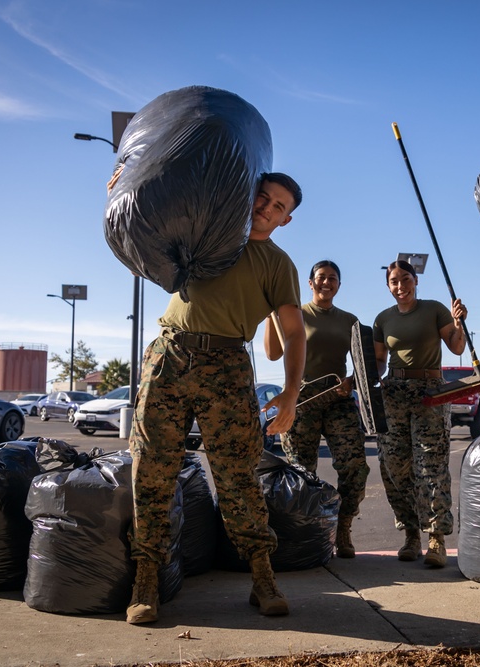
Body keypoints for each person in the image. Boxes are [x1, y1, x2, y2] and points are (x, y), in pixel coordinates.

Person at [125, 172, 306, 624]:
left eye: (278, 206)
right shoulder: (208, 231)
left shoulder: (277, 263)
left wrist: (290, 392)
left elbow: (294, 331)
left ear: (286, 219)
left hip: (227, 366)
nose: (266, 207)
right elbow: (147, 226)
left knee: (238, 475)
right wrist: (123, 187)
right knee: (151, 467)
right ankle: (146, 578)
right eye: (263, 197)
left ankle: (262, 577)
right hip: (170, 355)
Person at [263, 260, 370, 559]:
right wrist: (272, 315)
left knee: (354, 467)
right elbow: (272, 354)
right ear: (310, 283)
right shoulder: (294, 313)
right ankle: (306, 533)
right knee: (300, 471)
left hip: (337, 399)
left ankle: (343, 527)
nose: (327, 283)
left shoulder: (350, 320)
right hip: (302, 398)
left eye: (333, 278)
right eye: (321, 278)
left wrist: (351, 381)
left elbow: (363, 364)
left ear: (339, 285)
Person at [372, 259, 467, 568]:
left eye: (405, 279)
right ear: (388, 286)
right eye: (394, 282)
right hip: (394, 394)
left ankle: (436, 538)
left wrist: (459, 322)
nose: (401, 286)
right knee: (395, 466)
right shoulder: (382, 319)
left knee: (432, 465)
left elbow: (456, 347)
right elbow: (378, 363)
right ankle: (411, 533)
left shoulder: (434, 309)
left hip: (430, 393)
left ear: (415, 280)